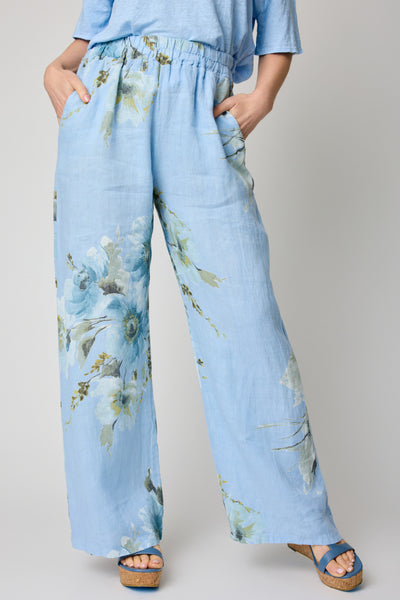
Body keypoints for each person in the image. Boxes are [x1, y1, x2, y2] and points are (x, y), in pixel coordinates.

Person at [43, 0, 363, 591]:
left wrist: (263, 96)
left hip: (200, 105)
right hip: (105, 99)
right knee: (102, 319)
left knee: (245, 314)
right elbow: (94, 28)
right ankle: (125, 528)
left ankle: (297, 514)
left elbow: (277, 28)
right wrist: (56, 69)